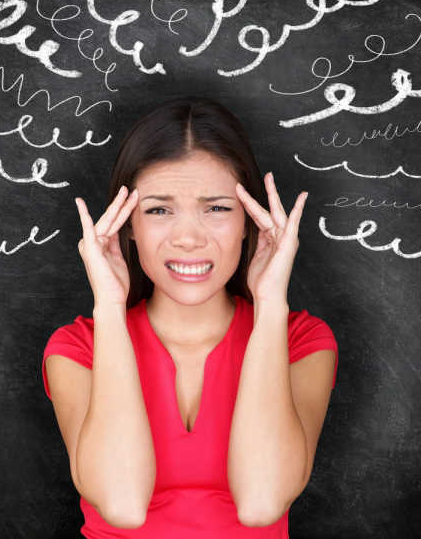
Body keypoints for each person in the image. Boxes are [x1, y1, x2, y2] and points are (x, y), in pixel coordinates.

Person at [42, 96, 338, 538]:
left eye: (216, 208)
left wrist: (271, 302)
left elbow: (262, 502)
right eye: (159, 210)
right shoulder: (77, 349)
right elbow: (122, 505)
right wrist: (108, 306)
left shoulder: (302, 342)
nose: (187, 238)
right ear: (128, 227)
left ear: (247, 223)